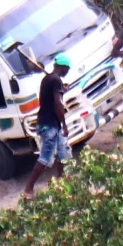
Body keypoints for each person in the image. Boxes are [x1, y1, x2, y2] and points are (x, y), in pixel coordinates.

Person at [23, 53, 73, 198]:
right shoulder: (55, 81)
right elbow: (57, 103)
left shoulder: (48, 79)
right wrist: (64, 124)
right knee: (45, 157)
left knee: (63, 154)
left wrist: (62, 90)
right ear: (63, 67)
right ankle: (28, 188)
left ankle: (61, 182)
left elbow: (53, 96)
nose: (67, 72)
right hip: (50, 124)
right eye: (67, 69)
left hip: (49, 122)